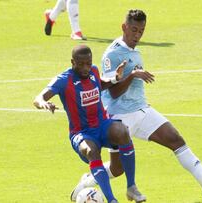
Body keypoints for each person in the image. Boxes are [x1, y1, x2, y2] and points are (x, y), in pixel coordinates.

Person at [70, 9, 202, 201]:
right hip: (119, 118)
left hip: (142, 110)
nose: (137, 35)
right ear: (124, 27)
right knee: (117, 168)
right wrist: (132, 75)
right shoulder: (112, 54)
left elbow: (133, 85)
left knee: (176, 139)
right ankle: (88, 181)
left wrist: (138, 93)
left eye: (142, 31)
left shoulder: (134, 51)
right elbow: (112, 91)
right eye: (134, 30)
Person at [33, 45, 146, 203]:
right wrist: (44, 103)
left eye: (88, 63)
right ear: (73, 62)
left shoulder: (93, 70)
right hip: (82, 132)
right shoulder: (63, 80)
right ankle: (111, 199)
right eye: (81, 64)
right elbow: (38, 98)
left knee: (122, 131)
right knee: (91, 150)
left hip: (102, 125)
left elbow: (100, 84)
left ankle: (131, 187)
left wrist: (114, 78)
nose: (86, 68)